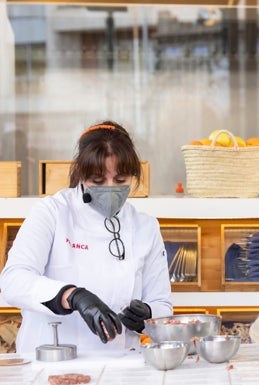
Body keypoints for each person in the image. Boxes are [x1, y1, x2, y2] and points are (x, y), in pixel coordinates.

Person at [0, 121, 173, 353]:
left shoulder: (145, 227)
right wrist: (72, 296)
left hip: (122, 363)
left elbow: (162, 304)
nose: (110, 188)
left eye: (120, 180)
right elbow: (13, 281)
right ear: (81, 174)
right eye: (98, 181)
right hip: (51, 362)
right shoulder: (52, 212)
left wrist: (148, 315)